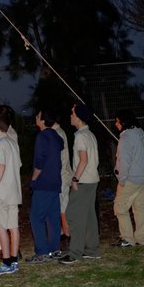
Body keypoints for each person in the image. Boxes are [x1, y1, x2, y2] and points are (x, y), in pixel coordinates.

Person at [59, 103, 101, 264]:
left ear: (79, 117)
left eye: (72, 113)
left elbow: (83, 160)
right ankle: (92, 249)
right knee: (89, 215)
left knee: (73, 214)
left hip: (83, 181)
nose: (70, 116)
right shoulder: (89, 134)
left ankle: (75, 252)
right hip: (92, 180)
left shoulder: (81, 136)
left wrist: (75, 179)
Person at [25, 109, 64, 264]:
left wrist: (33, 179)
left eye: (38, 115)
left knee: (36, 217)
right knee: (53, 218)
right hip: (55, 182)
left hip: (44, 182)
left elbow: (40, 161)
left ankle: (42, 252)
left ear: (42, 120)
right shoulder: (56, 136)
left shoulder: (42, 136)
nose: (36, 117)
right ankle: (54, 250)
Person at [0, 114, 22, 276]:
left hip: (2, 192)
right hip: (14, 192)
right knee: (13, 226)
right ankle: (14, 261)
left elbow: (1, 166)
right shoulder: (13, 143)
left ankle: (7, 262)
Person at [112, 109, 144, 247]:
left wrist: (121, 179)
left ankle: (127, 239)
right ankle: (141, 238)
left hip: (131, 178)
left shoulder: (126, 137)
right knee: (139, 207)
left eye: (117, 121)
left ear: (124, 122)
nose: (116, 124)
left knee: (120, 207)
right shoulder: (142, 135)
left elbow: (124, 160)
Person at [52, 120, 74, 250]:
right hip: (62, 175)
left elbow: (61, 159)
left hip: (61, 175)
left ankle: (68, 237)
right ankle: (63, 237)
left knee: (62, 209)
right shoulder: (59, 132)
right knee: (60, 208)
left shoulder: (57, 133)